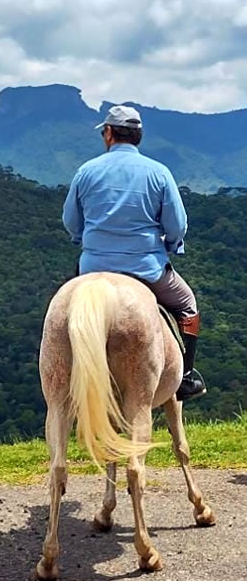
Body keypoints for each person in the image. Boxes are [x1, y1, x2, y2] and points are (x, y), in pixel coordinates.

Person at [63, 105, 206, 401]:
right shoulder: (159, 172)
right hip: (147, 268)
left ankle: (62, 372)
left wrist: (83, 239)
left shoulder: (86, 171)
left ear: (109, 133)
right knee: (188, 305)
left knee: (63, 310)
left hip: (93, 268)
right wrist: (170, 245)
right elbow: (177, 225)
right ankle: (187, 377)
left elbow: (71, 221)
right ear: (138, 136)